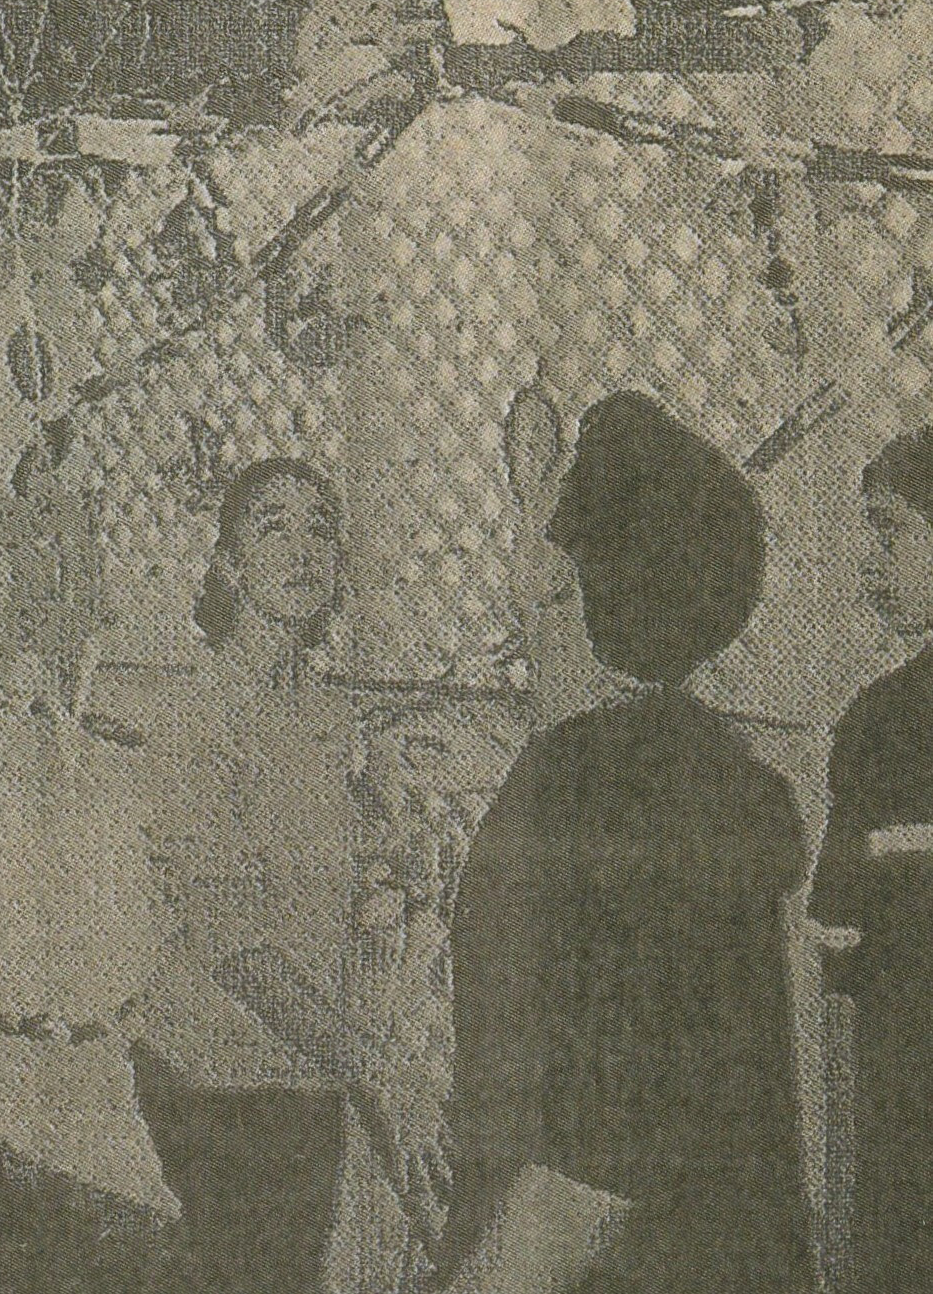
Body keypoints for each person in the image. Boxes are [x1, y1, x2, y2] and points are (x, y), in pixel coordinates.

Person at [440, 391, 812, 1294]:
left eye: (558, 555)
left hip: (593, 1227)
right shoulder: (733, 778)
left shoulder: (576, 782)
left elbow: (596, 1126)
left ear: (587, 583)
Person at [131, 457, 451, 1293]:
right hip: (219, 1079)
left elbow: (335, 882)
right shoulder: (199, 714)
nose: (303, 547)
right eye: (273, 525)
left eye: (321, 527)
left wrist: (394, 844)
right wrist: (378, 1070)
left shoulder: (326, 714)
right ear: (229, 566)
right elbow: (231, 945)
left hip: (311, 1072)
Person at [815, 424, 933, 1294]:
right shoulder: (876, 726)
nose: (870, 561)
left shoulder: (879, 725)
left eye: (889, 530)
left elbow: (842, 949)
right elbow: (840, 951)